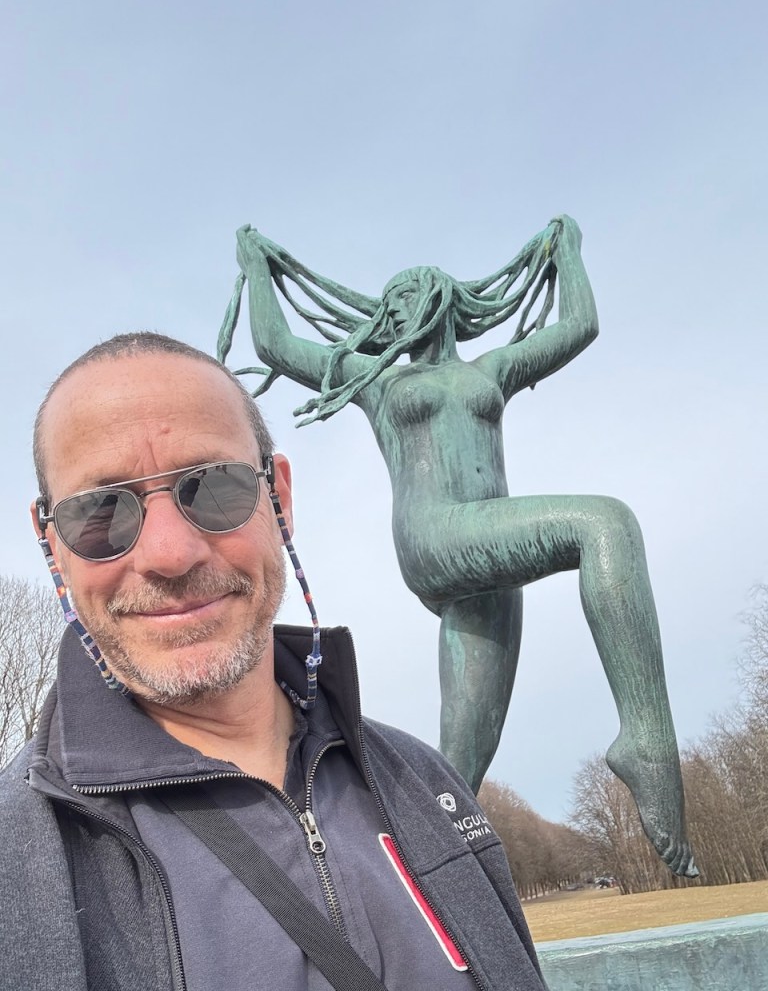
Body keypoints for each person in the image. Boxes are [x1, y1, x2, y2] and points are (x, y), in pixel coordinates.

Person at [0, 332, 549, 991]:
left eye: (214, 487)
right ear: (50, 543)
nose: (170, 554)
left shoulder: (422, 778)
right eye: (100, 511)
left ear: (279, 497)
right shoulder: (17, 856)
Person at [224, 218, 697, 878]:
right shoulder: (377, 379)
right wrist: (256, 268)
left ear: (439, 301)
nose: (390, 315)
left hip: (494, 561)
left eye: (402, 300)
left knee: (459, 771)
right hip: (440, 536)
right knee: (606, 524)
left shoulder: (493, 370)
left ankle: (415, 879)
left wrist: (568, 253)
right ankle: (646, 735)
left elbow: (578, 326)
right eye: (384, 308)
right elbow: (277, 344)